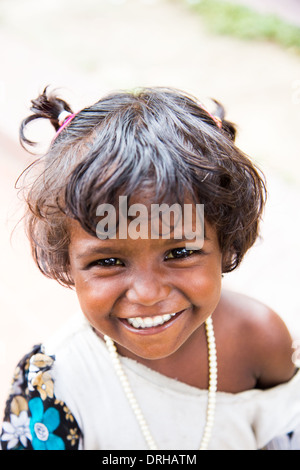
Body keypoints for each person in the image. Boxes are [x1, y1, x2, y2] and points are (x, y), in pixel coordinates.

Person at [1, 86, 299, 451]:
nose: (147, 293)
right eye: (108, 261)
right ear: (67, 262)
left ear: (226, 242)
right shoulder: (56, 385)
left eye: (179, 253)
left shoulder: (260, 338)